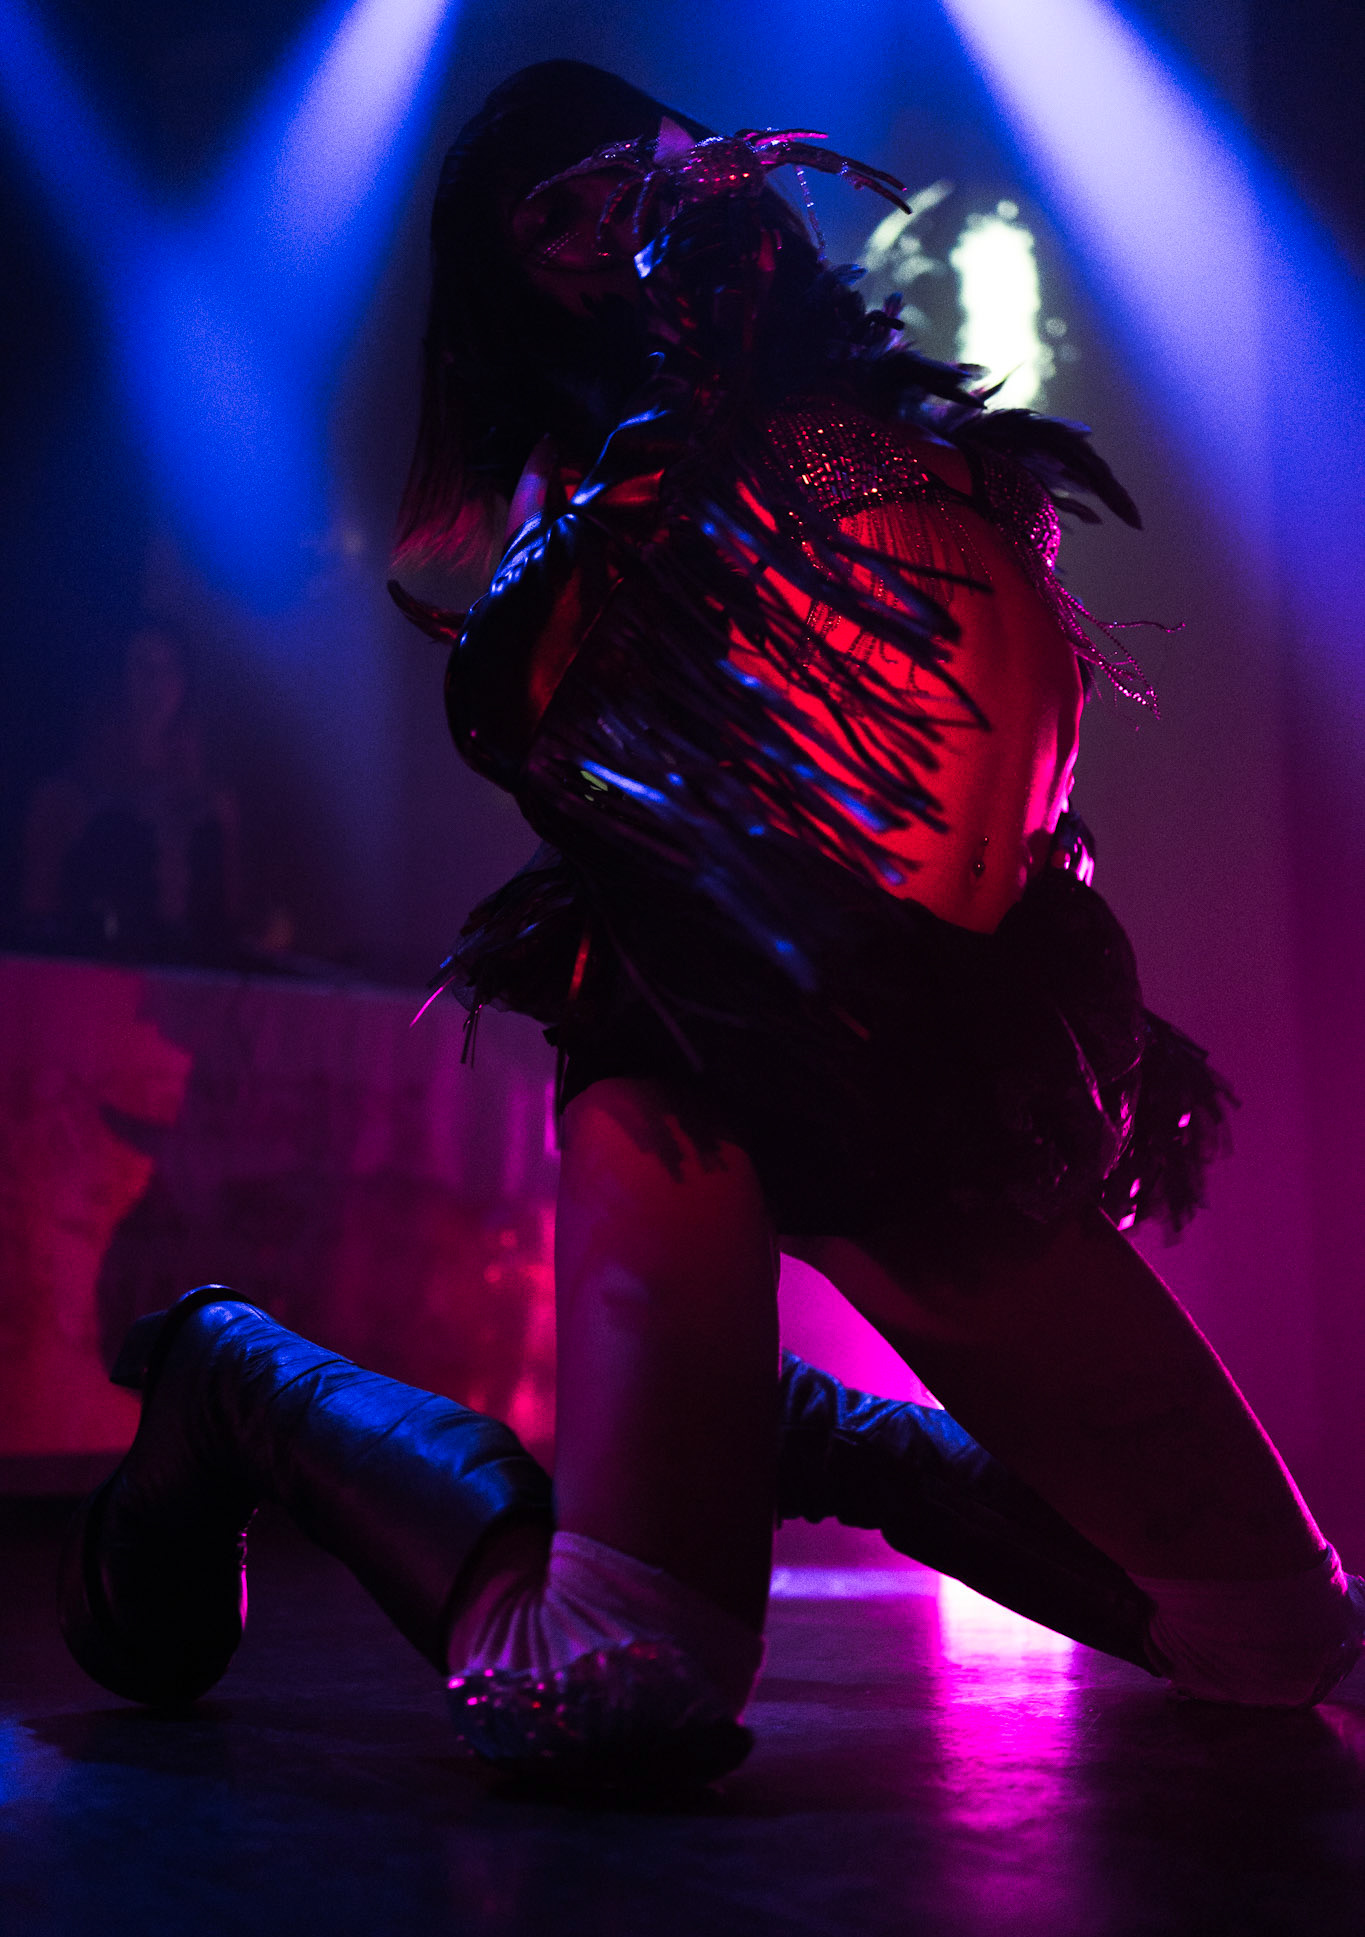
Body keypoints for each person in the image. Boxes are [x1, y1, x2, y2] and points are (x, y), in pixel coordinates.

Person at [61, 63, 1365, 1790]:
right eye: (552, 215)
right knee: (611, 1688)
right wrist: (673, 398)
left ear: (713, 162)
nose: (608, 217)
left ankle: (783, 1424)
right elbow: (513, 702)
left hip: (930, 1052)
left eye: (630, 170)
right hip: (703, 1040)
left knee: (1276, 1638)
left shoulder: (877, 410)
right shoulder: (605, 462)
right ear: (519, 285)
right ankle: (232, 1377)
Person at [21, 626, 241, 963]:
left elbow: (231, 915)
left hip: (191, 977)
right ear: (117, 679)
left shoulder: (214, 802)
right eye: (143, 667)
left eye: (169, 668)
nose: (156, 682)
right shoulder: (66, 798)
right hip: (99, 974)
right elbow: (38, 920)